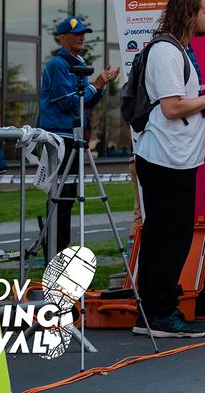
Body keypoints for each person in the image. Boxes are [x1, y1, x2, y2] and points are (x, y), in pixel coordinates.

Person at [132, 0, 205, 339]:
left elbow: (179, 98)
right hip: (165, 157)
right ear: (189, 14)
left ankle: (155, 310)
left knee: (169, 236)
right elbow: (172, 107)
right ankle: (160, 314)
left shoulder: (177, 49)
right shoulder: (166, 51)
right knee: (168, 238)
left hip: (176, 157)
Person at [38, 16, 119, 259]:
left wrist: (101, 86)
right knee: (59, 197)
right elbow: (68, 103)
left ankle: (61, 251)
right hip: (59, 139)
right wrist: (97, 83)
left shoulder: (79, 61)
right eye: (77, 33)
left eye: (84, 32)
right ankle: (53, 251)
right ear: (63, 38)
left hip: (73, 138)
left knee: (69, 198)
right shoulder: (57, 65)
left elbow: (86, 102)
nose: (82, 37)